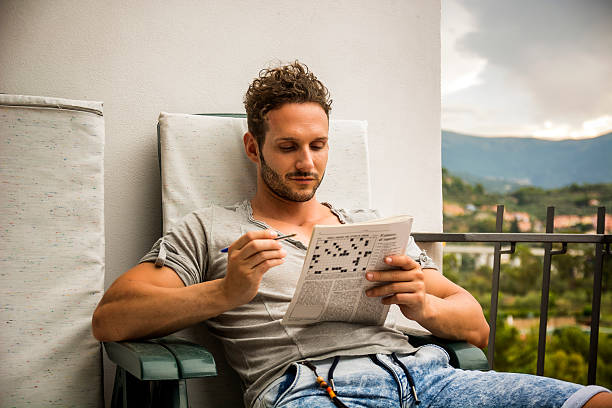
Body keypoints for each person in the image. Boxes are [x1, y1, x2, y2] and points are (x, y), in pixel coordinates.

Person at [92, 61, 611, 408]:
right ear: (254, 148)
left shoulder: (369, 227)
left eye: (318, 145)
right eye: (288, 147)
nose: (307, 163)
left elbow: (476, 329)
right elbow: (111, 319)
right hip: (313, 390)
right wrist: (225, 292)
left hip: (428, 378)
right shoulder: (209, 228)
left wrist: (423, 309)